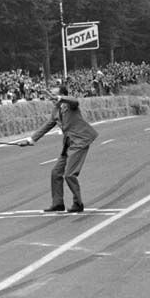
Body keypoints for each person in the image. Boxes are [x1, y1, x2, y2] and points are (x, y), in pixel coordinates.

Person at [18, 85, 98, 213]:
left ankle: (78, 203)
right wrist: (30, 140)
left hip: (80, 141)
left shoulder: (71, 105)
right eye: (51, 95)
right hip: (69, 143)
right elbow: (47, 126)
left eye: (54, 95)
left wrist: (60, 98)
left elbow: (74, 100)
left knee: (69, 174)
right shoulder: (56, 110)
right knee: (56, 173)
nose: (51, 98)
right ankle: (58, 203)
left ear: (62, 95)